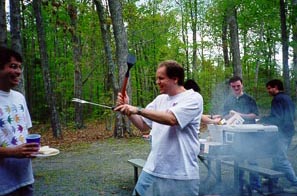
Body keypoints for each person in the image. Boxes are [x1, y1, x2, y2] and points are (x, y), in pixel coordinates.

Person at [114, 60, 203, 196]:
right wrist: (128, 111)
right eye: (157, 78)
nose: (157, 81)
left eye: (161, 78)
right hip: (153, 169)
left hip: (181, 174)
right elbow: (143, 125)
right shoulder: (160, 99)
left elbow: (172, 119)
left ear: (175, 78)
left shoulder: (193, 98)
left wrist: (137, 109)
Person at [0, 47, 39, 196]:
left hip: (25, 179)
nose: (18, 72)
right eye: (13, 66)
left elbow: (23, 133)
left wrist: (32, 150)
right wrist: (12, 152)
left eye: (20, 67)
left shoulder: (19, 97)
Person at [258, 79, 297, 193]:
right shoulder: (287, 98)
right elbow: (290, 115)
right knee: (276, 157)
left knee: (280, 159)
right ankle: (272, 180)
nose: (268, 90)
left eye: (269, 88)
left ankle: (295, 183)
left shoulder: (277, 99)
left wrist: (263, 120)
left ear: (276, 87)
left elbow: (277, 118)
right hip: (289, 131)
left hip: (282, 133)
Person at [222, 75, 260, 191]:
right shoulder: (229, 100)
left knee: (252, 160)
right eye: (234, 86)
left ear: (242, 85)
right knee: (238, 160)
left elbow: (255, 115)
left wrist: (239, 115)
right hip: (236, 136)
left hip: (250, 135)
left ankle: (255, 186)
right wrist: (230, 115)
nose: (236, 88)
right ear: (230, 87)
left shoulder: (249, 99)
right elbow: (224, 115)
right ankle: (239, 185)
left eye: (238, 86)